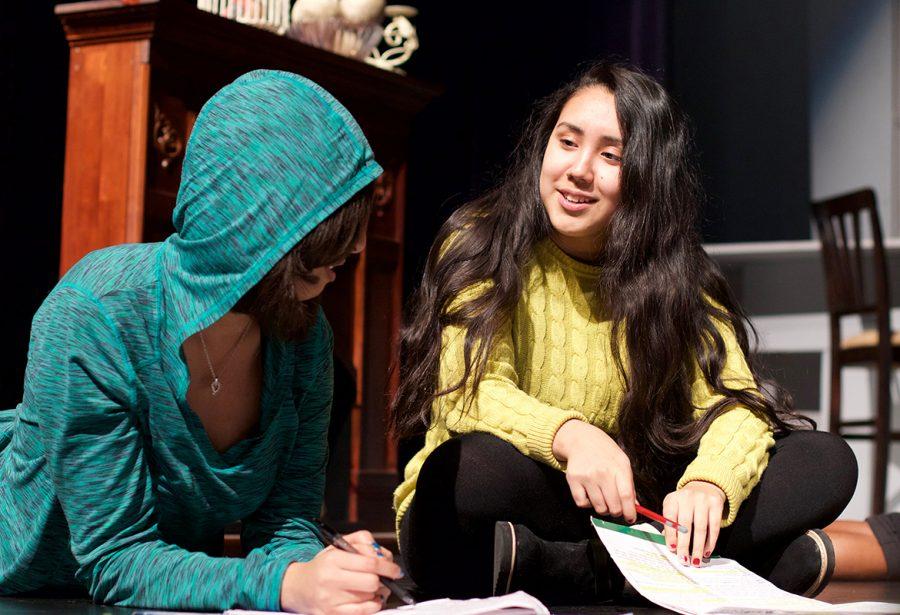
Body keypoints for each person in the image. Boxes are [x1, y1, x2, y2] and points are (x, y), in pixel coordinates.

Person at [389, 62, 858, 604]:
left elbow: (738, 403)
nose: (578, 170)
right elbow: (469, 396)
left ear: (647, 176)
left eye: (611, 156)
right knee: (467, 468)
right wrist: (570, 437)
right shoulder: (482, 242)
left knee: (825, 460)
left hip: (634, 506)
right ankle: (689, 573)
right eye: (567, 142)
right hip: (521, 496)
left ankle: (570, 570)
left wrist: (710, 482)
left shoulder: (678, 274)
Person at [0, 70, 402, 614]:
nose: (350, 253)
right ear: (253, 230)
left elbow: (285, 525)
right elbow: (115, 559)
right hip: (24, 589)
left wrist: (319, 567)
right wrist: (285, 585)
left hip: (158, 602)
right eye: (326, 236)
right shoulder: (96, 314)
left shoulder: (303, 336)